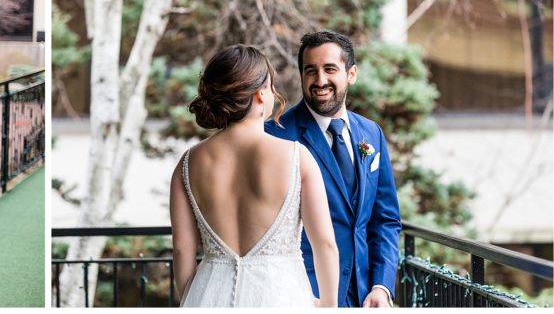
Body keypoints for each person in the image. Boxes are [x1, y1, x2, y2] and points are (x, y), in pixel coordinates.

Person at [170, 44, 339, 307]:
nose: (274, 93)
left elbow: (182, 250)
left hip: (208, 297)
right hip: (280, 297)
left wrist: (195, 299)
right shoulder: (296, 156)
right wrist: (329, 306)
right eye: (271, 86)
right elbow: (325, 244)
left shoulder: (188, 162)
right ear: (260, 94)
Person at [265, 31, 402, 307]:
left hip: (365, 296)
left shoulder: (371, 134)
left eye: (330, 69)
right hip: (304, 295)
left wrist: (381, 286)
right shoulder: (275, 135)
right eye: (310, 71)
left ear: (351, 74)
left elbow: (385, 220)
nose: (320, 81)